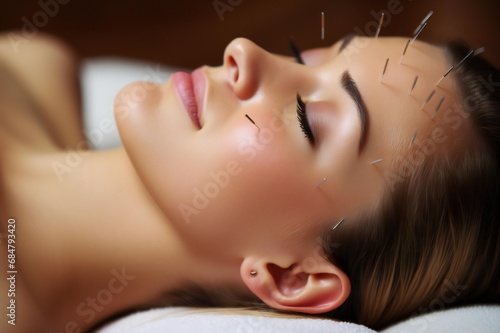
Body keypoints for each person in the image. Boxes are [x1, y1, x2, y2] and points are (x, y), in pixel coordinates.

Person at [0, 29, 498, 333]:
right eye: (306, 59)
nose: (244, 51)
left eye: (307, 119)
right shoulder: (38, 69)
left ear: (294, 278)